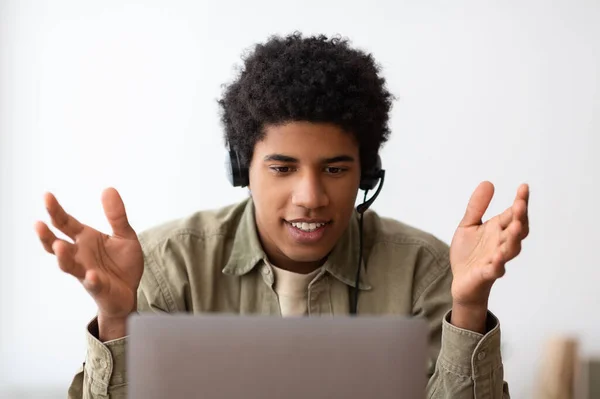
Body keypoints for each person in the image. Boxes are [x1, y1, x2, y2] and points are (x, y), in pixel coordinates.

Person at [35, 33, 529, 398]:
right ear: (242, 168)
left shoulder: (426, 270)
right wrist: (118, 320)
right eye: (283, 168)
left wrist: (468, 307)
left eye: (335, 168)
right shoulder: (168, 266)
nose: (310, 196)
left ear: (366, 172)